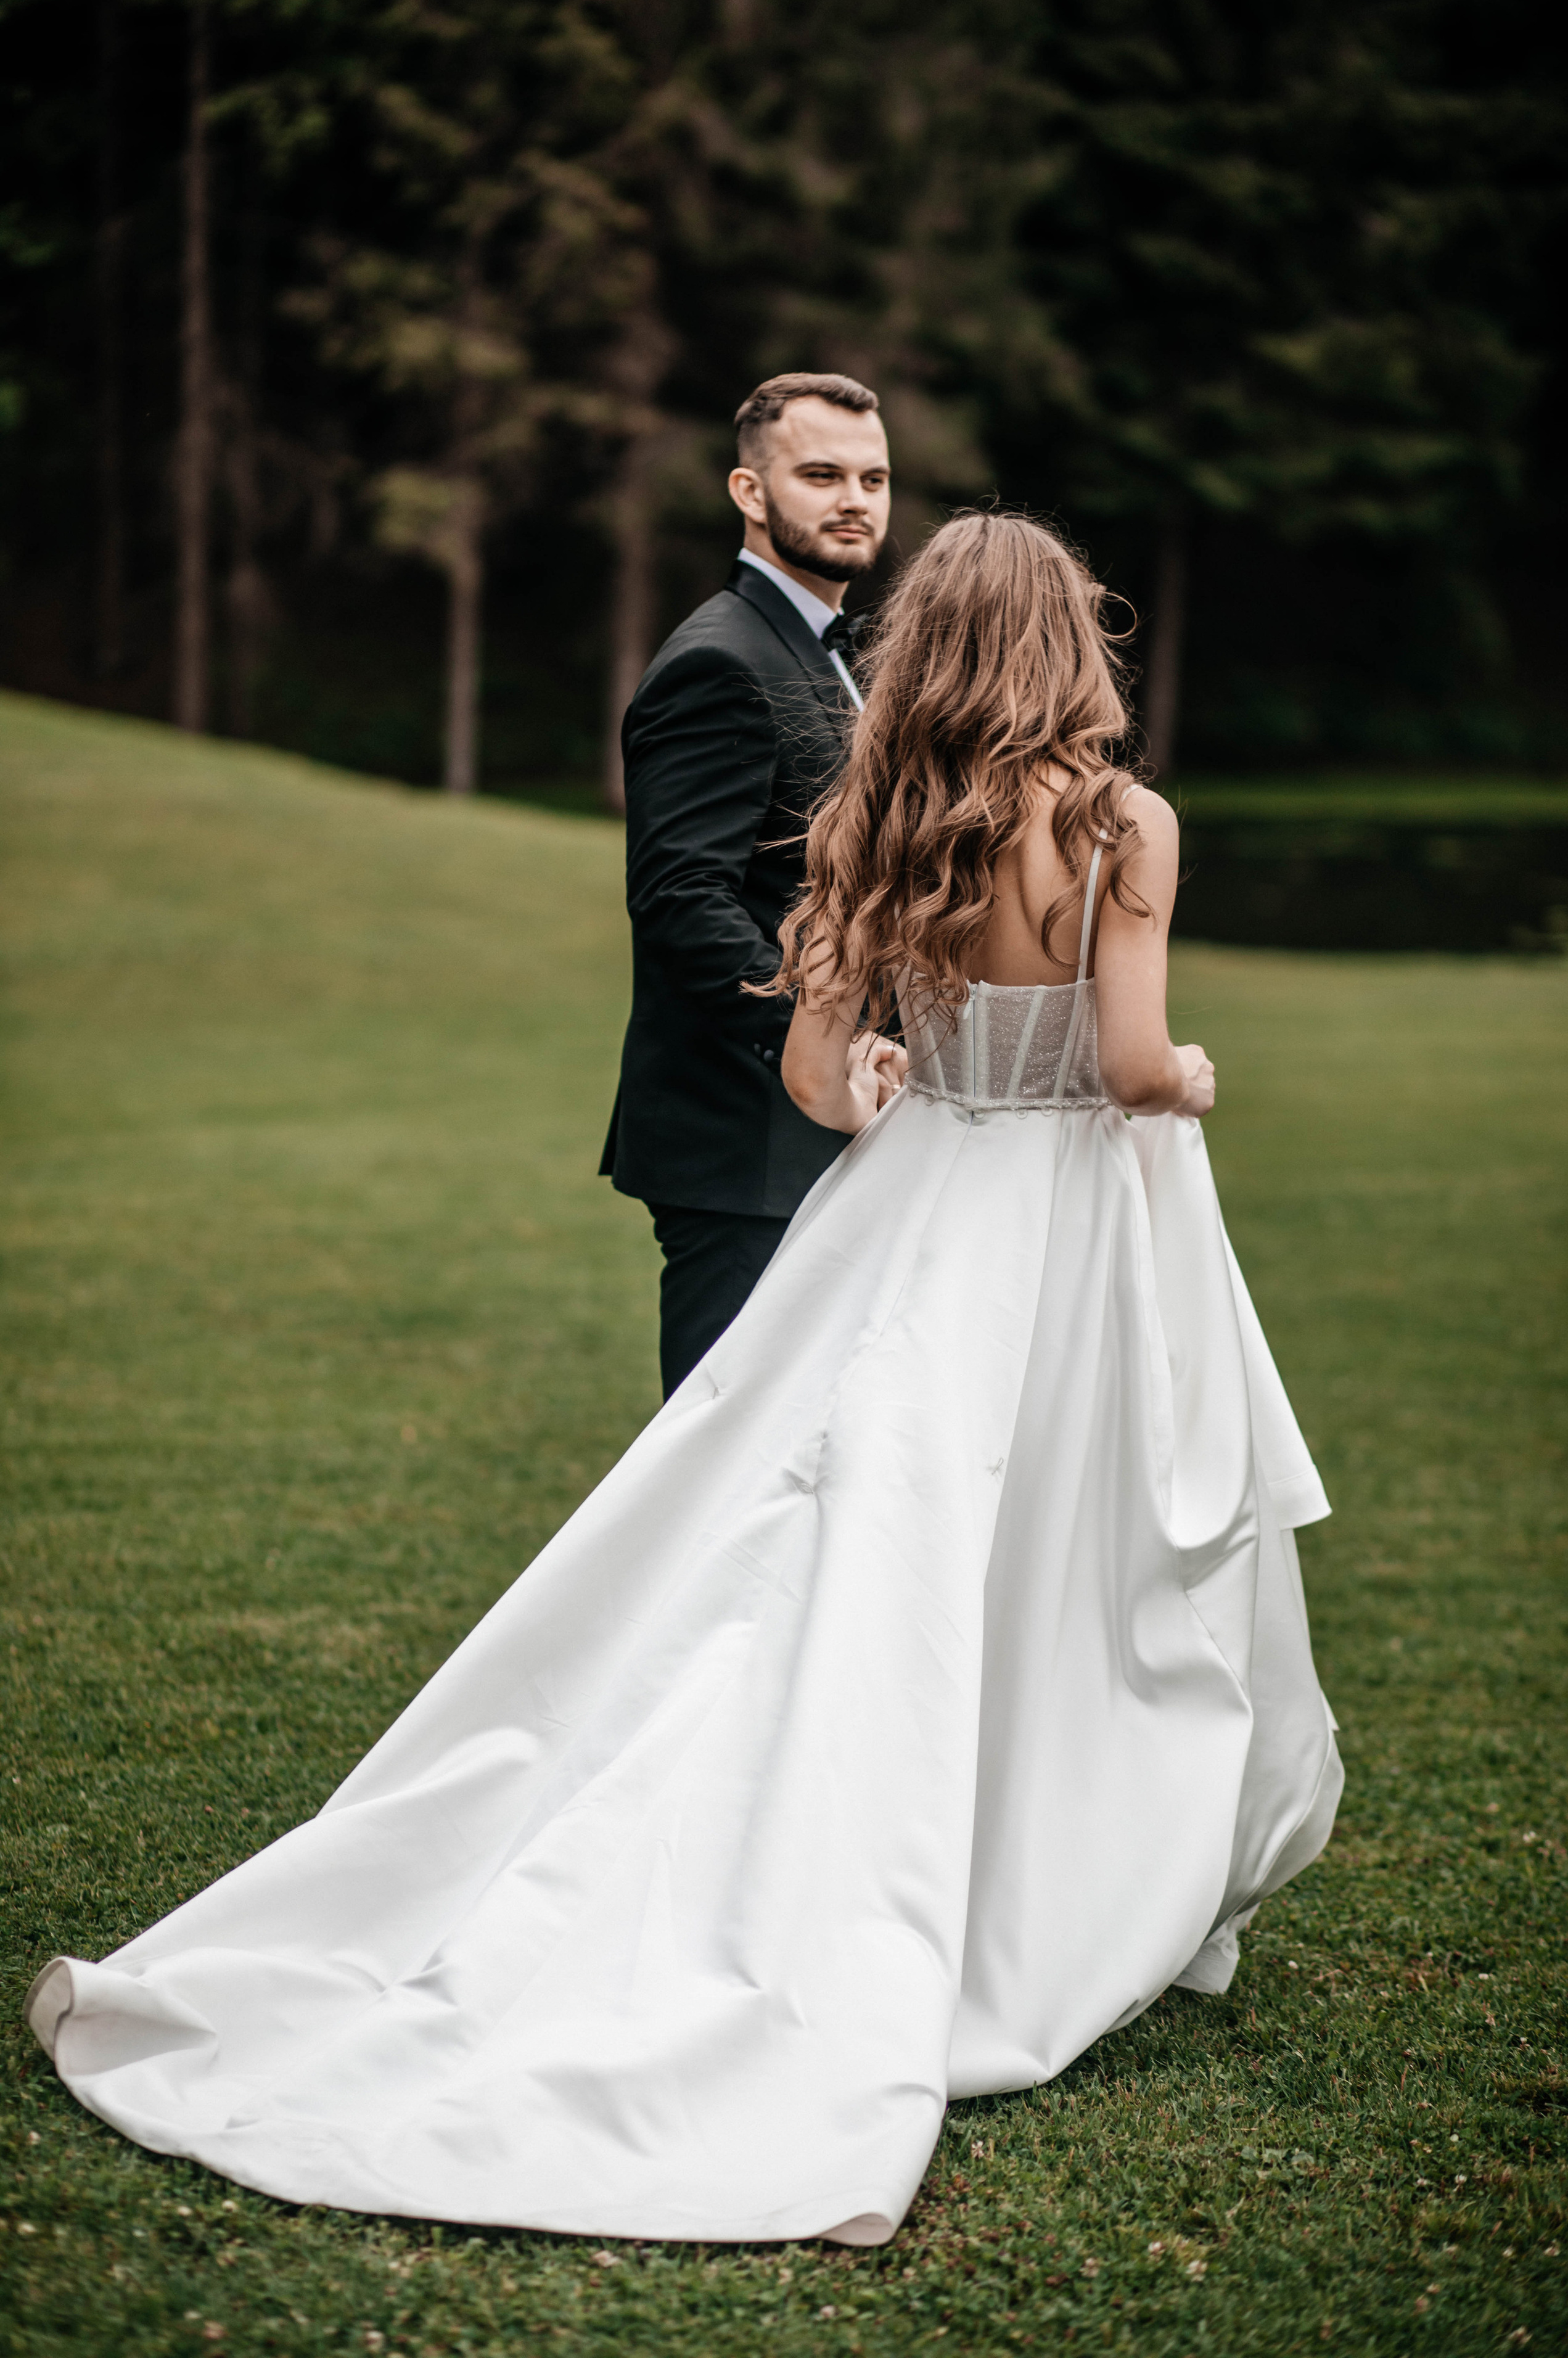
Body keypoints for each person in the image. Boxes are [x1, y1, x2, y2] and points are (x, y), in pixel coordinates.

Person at [27, 512, 1341, 2250]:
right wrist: (1192, 1070)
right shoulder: (1123, 825)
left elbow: (815, 1083)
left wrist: (910, 1084)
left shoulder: (872, 819)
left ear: (928, 646)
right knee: (1062, 1555)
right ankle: (1045, 1888)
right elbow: (1120, 1061)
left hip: (916, 1206)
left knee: (866, 1546)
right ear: (1071, 642)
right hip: (1073, 1237)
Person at [600, 370, 892, 1397]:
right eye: (821, 475)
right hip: (746, 1142)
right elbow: (684, 900)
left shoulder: (836, 656)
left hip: (828, 1124)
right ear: (749, 492)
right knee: (722, 1475)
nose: (855, 499)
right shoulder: (719, 663)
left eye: (873, 477)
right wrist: (832, 1039)